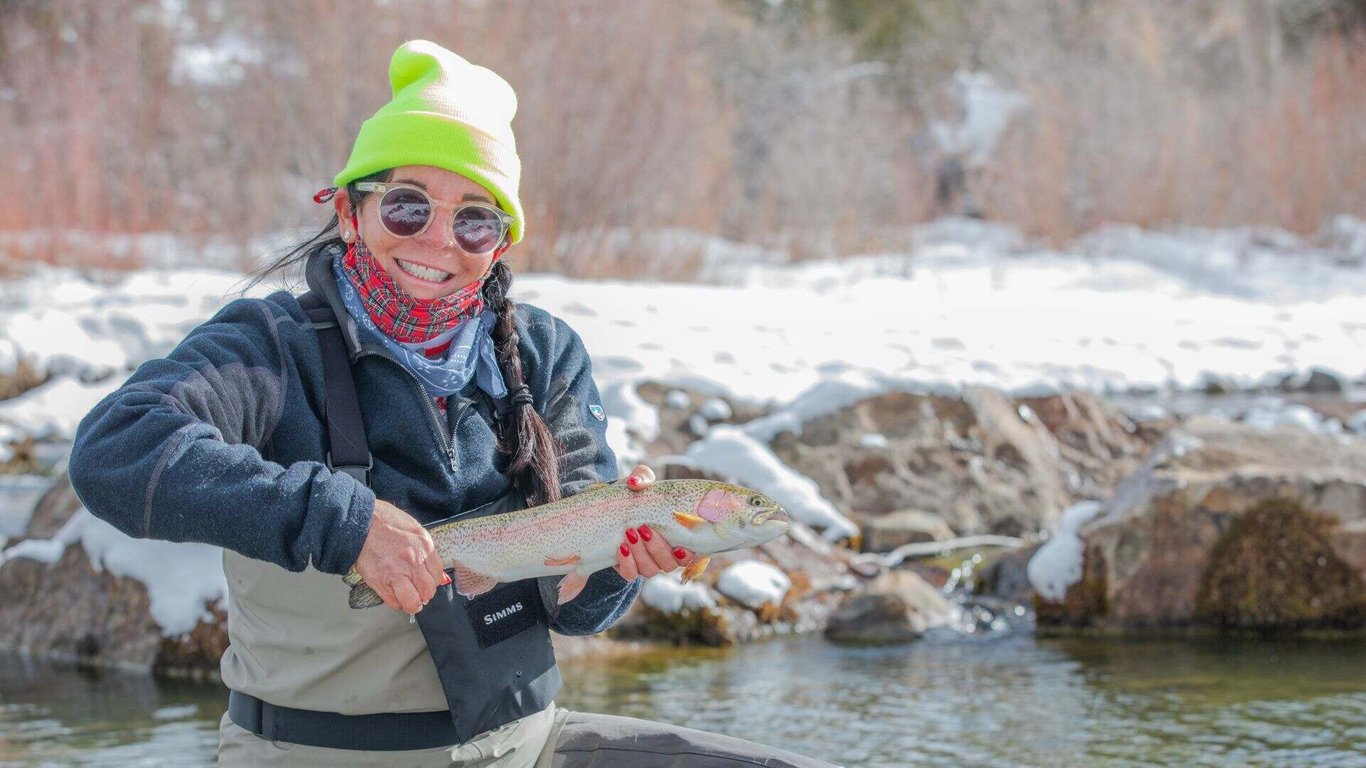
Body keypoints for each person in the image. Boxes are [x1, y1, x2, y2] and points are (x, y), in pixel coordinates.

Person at [69, 39, 837, 767]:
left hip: (524, 745)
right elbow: (116, 451)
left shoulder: (543, 354)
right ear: (349, 210)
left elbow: (575, 611)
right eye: (408, 206)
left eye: (475, 218)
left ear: (499, 243)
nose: (440, 239)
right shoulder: (268, 348)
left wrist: (620, 565)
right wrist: (345, 523)